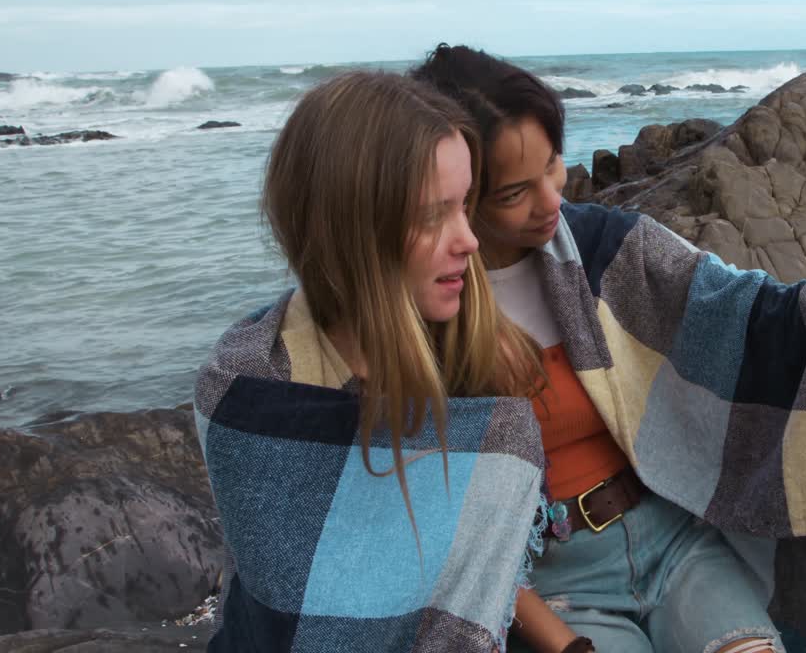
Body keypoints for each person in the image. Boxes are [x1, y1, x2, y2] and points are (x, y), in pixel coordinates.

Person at [413, 44, 806, 653]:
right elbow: (432, 526)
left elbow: (772, 324)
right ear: (457, 193)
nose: (553, 201)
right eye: (513, 193)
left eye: (553, 165)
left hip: (673, 541)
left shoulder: (605, 251)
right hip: (548, 584)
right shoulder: (421, 313)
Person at [192, 70, 577, 652]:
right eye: (432, 215)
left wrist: (573, 647)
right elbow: (298, 618)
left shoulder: (471, 349)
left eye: (465, 205)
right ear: (354, 232)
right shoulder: (253, 392)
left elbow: (478, 579)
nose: (469, 240)